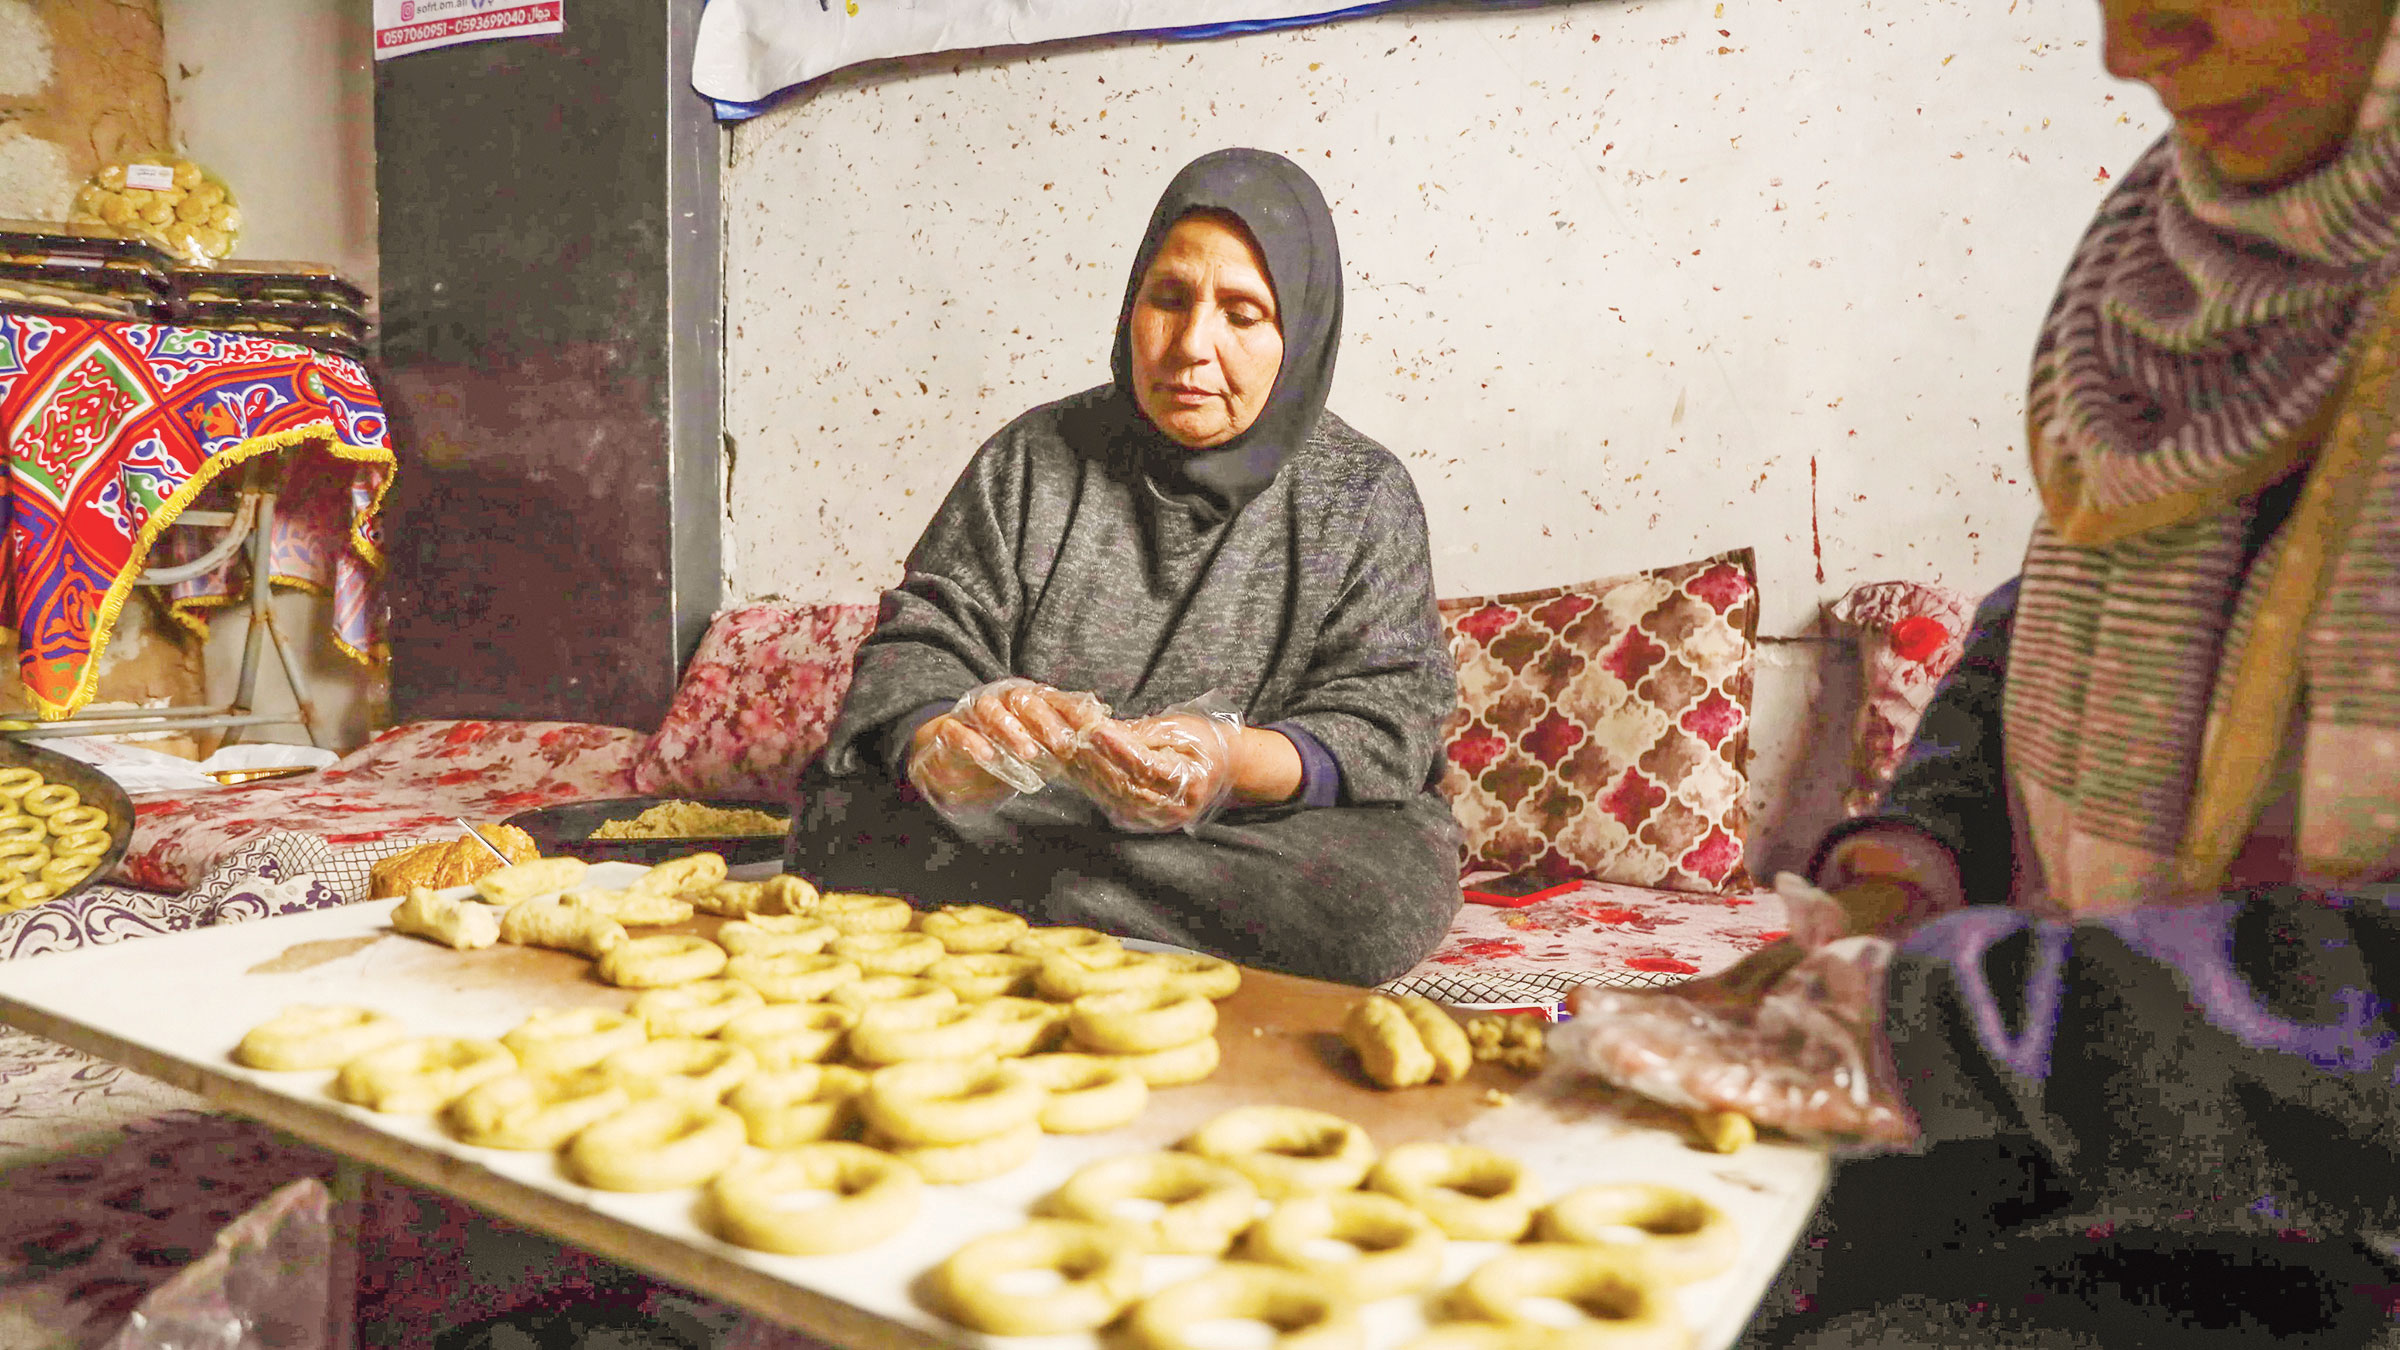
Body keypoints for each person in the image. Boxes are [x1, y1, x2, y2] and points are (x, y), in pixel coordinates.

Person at [1558, 1, 2400, 1343]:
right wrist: (1915, 861)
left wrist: (1954, 1024)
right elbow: (2059, 614)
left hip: (2332, 1201)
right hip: (2064, 1093)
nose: (2131, 48)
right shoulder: (2183, 273)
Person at [786, 148, 1463, 987]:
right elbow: (921, 642)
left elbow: (1388, 719)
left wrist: (1226, 762)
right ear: (1131, 303)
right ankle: (1101, 911)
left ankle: (1035, 909)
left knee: (1363, 899)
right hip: (1039, 809)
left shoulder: (1360, 492)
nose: (1190, 346)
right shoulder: (1030, 459)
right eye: (1168, 299)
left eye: (1243, 314)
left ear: (1301, 331)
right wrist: (946, 739)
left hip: (1254, 833)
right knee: (841, 821)